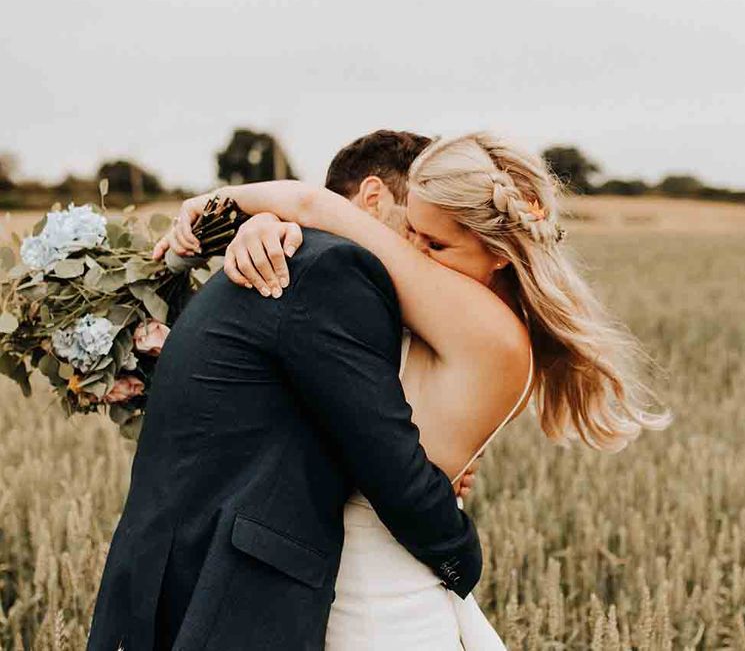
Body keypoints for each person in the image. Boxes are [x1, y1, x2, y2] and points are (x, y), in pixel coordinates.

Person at [160, 130, 671, 648]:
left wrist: (214, 206)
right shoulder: (469, 322)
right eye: (412, 232)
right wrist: (269, 227)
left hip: (378, 607)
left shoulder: (480, 328)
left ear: (498, 252)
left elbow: (316, 205)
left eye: (436, 244)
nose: (414, 252)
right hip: (366, 588)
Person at [87, 131, 486, 651]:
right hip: (225, 594)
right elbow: (390, 468)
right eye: (416, 229)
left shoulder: (291, 252)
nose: (418, 255)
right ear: (372, 198)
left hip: (168, 572)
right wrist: (462, 557)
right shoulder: (336, 271)